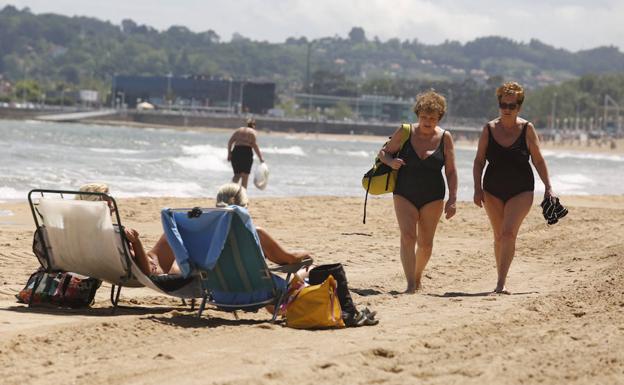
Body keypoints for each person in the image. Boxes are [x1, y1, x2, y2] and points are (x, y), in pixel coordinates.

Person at [473, 81, 555, 294]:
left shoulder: (527, 129)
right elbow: (479, 161)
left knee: (509, 233)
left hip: (521, 189)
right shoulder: (489, 129)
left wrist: (548, 187)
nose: (507, 109)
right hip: (492, 189)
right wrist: (476, 188)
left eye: (512, 106)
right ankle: (500, 277)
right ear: (499, 104)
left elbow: (538, 160)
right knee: (499, 236)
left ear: (519, 107)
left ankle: (501, 283)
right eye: (504, 105)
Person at [377, 90, 458, 293]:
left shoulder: (445, 138)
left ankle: (417, 275)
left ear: (439, 117)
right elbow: (383, 153)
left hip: (433, 196)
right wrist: (391, 161)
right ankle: (410, 284)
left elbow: (451, 170)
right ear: (417, 115)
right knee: (407, 237)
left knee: (426, 244)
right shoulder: (405, 132)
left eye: (432, 118)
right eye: (423, 117)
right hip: (404, 192)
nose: (427, 121)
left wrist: (453, 198)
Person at [227, 118, 264, 188]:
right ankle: (242, 195)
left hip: (236, 152)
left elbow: (230, 142)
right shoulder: (253, 132)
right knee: (245, 176)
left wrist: (229, 153)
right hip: (246, 152)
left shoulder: (238, 130)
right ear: (254, 126)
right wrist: (261, 158)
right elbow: (255, 146)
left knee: (237, 175)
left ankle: (229, 192)